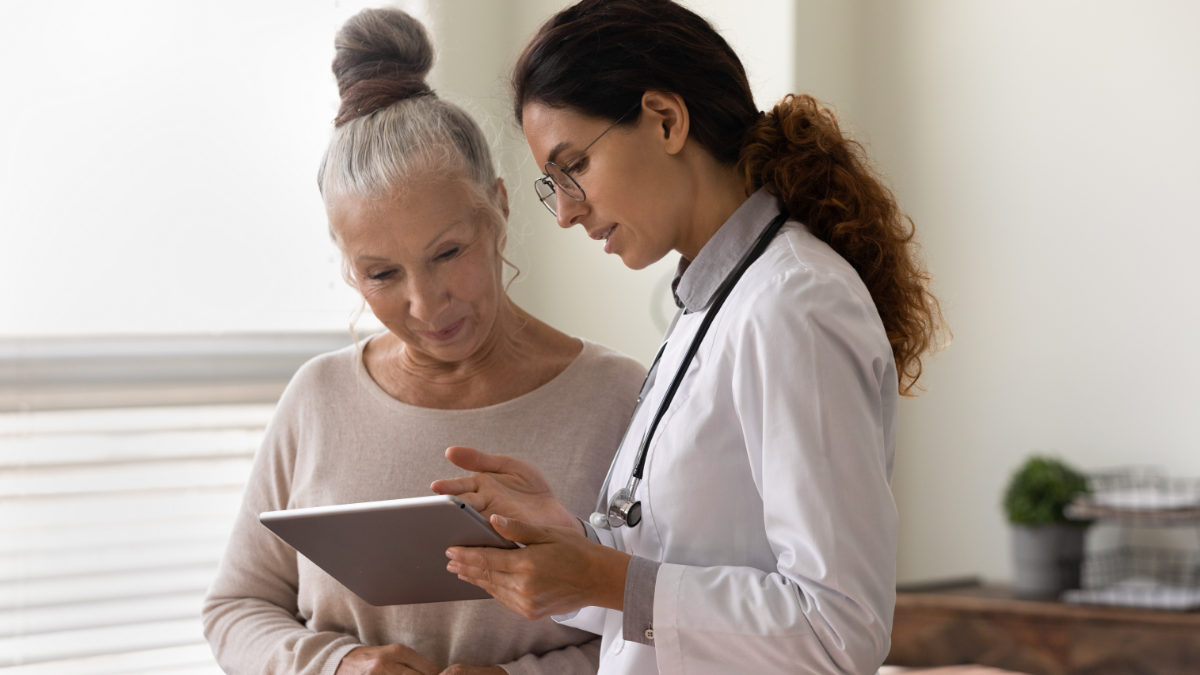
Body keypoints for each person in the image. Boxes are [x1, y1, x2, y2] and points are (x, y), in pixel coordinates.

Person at [431, 1, 947, 674]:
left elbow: (839, 630)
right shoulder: (715, 302)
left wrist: (607, 578)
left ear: (666, 120)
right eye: (552, 185)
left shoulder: (794, 304)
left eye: (574, 165)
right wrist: (569, 542)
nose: (565, 212)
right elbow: (681, 572)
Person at [201, 8, 646, 675]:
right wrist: (339, 666)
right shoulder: (317, 398)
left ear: (498, 207)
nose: (425, 304)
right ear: (349, 267)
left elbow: (659, 623)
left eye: (447, 252)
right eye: (382, 274)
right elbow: (236, 606)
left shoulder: (620, 398)